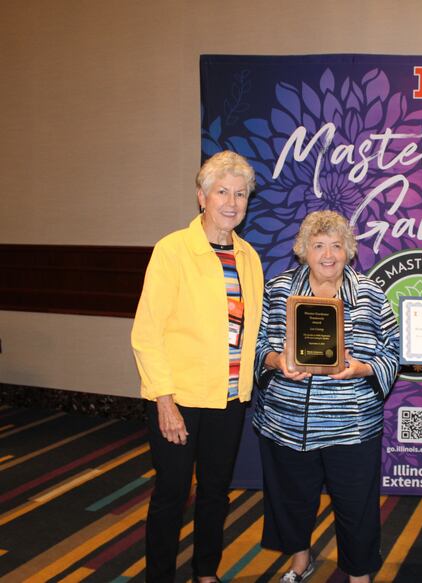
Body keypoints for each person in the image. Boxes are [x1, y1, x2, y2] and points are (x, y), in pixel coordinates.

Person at [131, 150, 264, 582]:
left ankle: (206, 571)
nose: (231, 202)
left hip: (228, 399)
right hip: (179, 399)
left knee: (214, 493)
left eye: (240, 194)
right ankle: (160, 576)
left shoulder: (249, 257)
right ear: (201, 197)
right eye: (221, 191)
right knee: (171, 494)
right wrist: (164, 401)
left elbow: (251, 332)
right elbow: (147, 333)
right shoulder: (172, 250)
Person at [253, 210, 400, 583]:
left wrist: (362, 368)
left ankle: (358, 574)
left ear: (349, 250)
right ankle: (301, 561)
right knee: (291, 499)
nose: (328, 255)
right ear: (303, 250)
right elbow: (257, 344)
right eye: (318, 246)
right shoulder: (279, 289)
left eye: (337, 245)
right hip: (287, 421)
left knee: (356, 507)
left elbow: (394, 349)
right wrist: (275, 360)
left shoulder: (370, 294)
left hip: (350, 426)